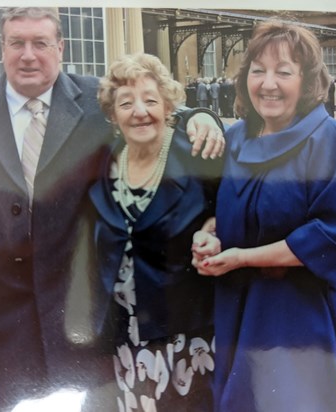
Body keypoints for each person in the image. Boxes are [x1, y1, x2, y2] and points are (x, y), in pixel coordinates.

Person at [0, 7, 224, 412]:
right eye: (17, 43)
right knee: (17, 403)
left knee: (88, 402)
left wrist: (203, 116)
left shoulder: (94, 102)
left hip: (81, 302)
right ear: (3, 48)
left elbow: (153, 109)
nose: (28, 55)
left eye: (40, 43)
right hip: (2, 306)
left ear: (59, 48)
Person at [191, 20, 336, 412]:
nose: (268, 83)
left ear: (306, 81)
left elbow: (331, 238)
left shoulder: (329, 141)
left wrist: (241, 258)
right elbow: (229, 211)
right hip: (239, 314)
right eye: (258, 70)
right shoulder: (236, 138)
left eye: (283, 72)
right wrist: (211, 234)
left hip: (299, 322)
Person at [91, 53, 223, 412]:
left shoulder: (198, 155)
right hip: (122, 333)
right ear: (113, 115)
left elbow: (233, 215)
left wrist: (216, 231)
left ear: (168, 106)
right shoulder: (103, 162)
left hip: (182, 334)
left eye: (150, 100)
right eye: (126, 102)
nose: (139, 111)